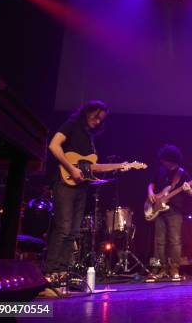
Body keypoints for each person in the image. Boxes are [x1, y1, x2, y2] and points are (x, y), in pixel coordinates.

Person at [44, 100, 108, 282]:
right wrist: (71, 169)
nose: (97, 122)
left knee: (72, 231)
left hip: (81, 187)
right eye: (96, 117)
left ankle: (62, 272)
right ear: (87, 112)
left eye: (101, 120)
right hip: (65, 183)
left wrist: (120, 167)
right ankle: (50, 272)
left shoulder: (89, 137)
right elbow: (54, 145)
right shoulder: (72, 125)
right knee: (63, 228)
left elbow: (88, 165)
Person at [147, 144, 192, 279]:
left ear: (171, 160)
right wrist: (150, 192)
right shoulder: (160, 170)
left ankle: (174, 268)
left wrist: (189, 190)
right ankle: (160, 268)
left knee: (174, 240)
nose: (162, 162)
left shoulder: (182, 173)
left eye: (164, 160)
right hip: (158, 209)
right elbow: (151, 183)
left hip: (175, 210)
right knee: (159, 240)